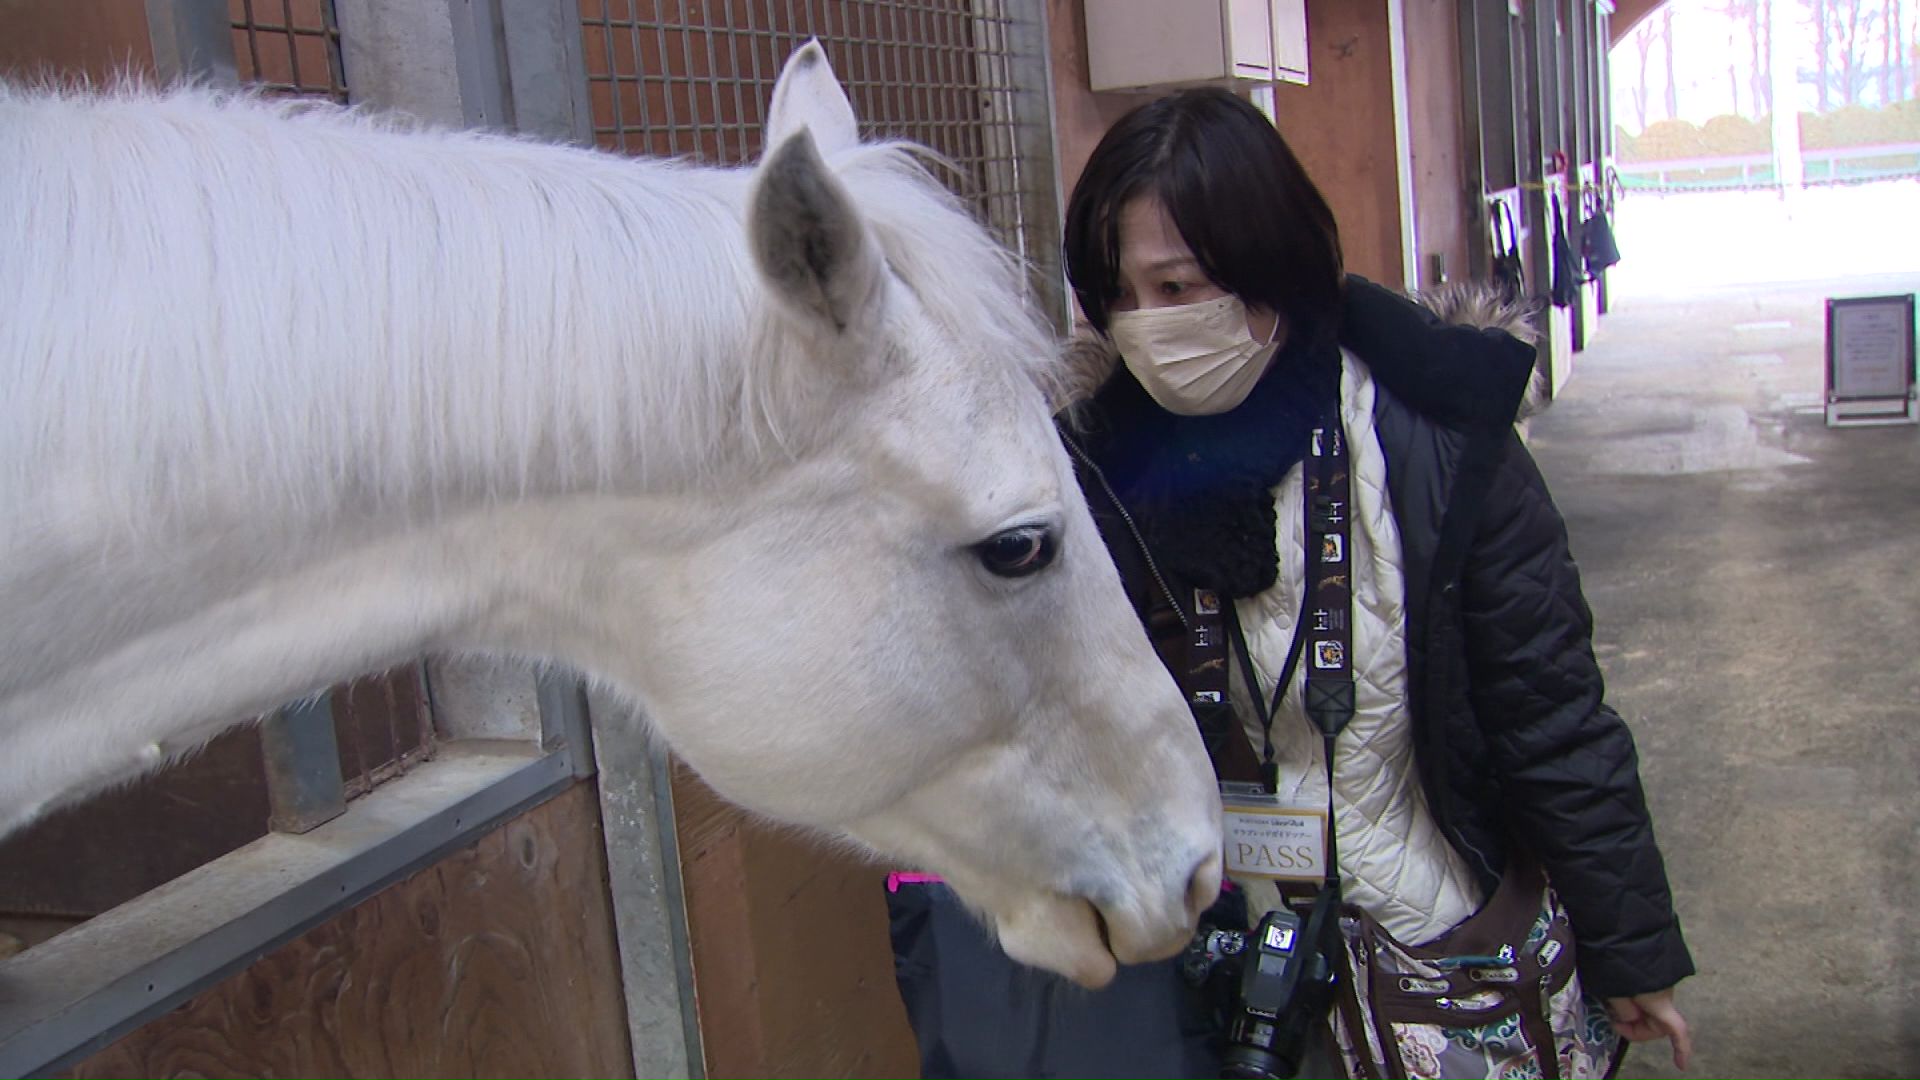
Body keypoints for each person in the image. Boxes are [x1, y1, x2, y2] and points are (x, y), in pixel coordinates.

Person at [1054, 88, 1694, 1076]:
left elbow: (1551, 709)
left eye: (1176, 287)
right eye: (1118, 296)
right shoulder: (1093, 476)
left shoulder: (1433, 443)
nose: (1144, 328)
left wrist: (1629, 945)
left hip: (1435, 943)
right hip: (1226, 973)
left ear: (1268, 268)